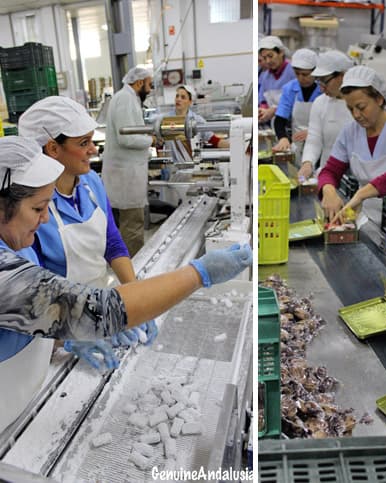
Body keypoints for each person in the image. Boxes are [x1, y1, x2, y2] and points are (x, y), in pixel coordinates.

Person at [0, 136, 252, 434]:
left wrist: (59, 337)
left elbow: (22, 316)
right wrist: (199, 274)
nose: (44, 220)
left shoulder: (18, 242)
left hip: (21, 404)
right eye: (38, 209)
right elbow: (97, 310)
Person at [18, 96, 157, 369]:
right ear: (53, 148)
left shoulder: (91, 183)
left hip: (97, 307)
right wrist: (72, 332)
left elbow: (113, 242)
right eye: (83, 143)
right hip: (54, 330)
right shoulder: (31, 207)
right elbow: (29, 292)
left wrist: (135, 296)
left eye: (92, 140)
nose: (93, 150)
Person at [318, 66, 386, 225]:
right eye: (350, 109)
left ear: (379, 99)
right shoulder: (349, 133)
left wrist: (362, 194)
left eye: (361, 107)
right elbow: (330, 171)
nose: (356, 115)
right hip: (366, 220)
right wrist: (328, 190)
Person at [102, 66, 155, 256]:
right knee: (132, 226)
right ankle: (135, 270)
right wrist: (151, 139)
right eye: (149, 85)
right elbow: (127, 137)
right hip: (126, 175)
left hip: (127, 172)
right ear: (139, 82)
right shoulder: (125, 99)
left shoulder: (128, 99)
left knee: (129, 224)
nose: (149, 90)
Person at [298, 50, 355, 181]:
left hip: (356, 179)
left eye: (325, 81)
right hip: (327, 176)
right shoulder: (320, 103)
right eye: (319, 82)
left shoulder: (361, 105)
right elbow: (314, 139)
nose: (321, 88)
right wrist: (308, 163)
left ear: (343, 75)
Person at [271, 48, 321, 159]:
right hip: (297, 143)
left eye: (305, 74)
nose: (300, 78)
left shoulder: (323, 89)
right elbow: (280, 120)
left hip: (320, 143)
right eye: (297, 74)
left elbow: (330, 121)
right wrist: (283, 138)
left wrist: (313, 133)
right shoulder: (290, 88)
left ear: (315, 71)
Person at [160, 85, 229, 163]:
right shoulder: (166, 119)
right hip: (171, 166)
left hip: (193, 165)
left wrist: (236, 146)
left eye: (183, 97)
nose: (178, 99)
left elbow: (214, 140)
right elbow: (158, 143)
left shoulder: (197, 120)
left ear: (190, 102)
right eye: (177, 96)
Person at [258, 36, 295, 123]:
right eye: (264, 58)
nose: (268, 61)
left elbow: (296, 102)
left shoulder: (293, 72)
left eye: (270, 56)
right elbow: (263, 100)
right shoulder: (265, 77)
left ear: (281, 52)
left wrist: (274, 110)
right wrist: (262, 111)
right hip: (276, 125)